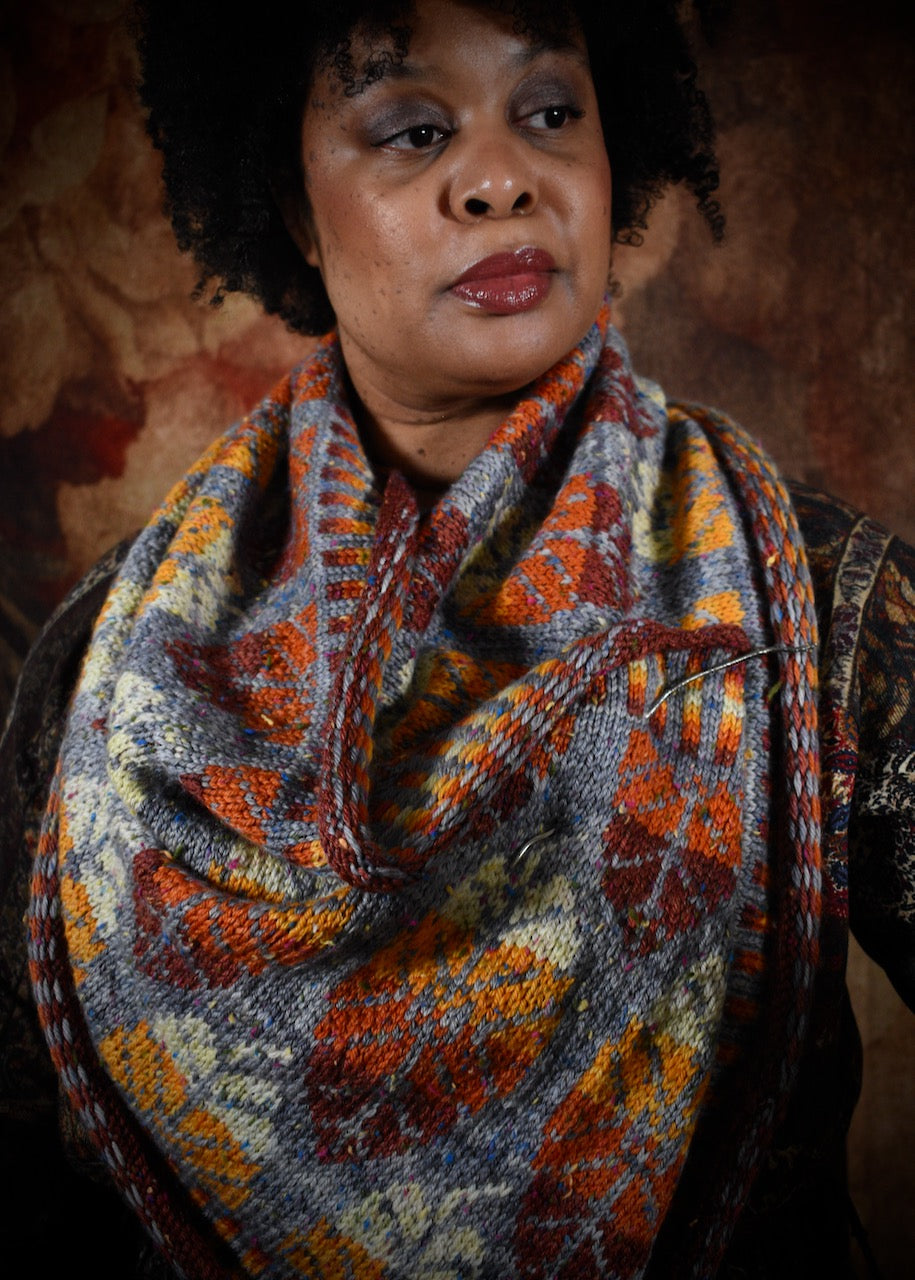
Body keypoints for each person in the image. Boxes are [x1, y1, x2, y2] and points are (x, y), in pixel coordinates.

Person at [1, 1, 912, 1277]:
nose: (501, 179)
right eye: (414, 130)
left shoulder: (815, 605)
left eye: (550, 112)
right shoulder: (110, 660)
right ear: (295, 203)